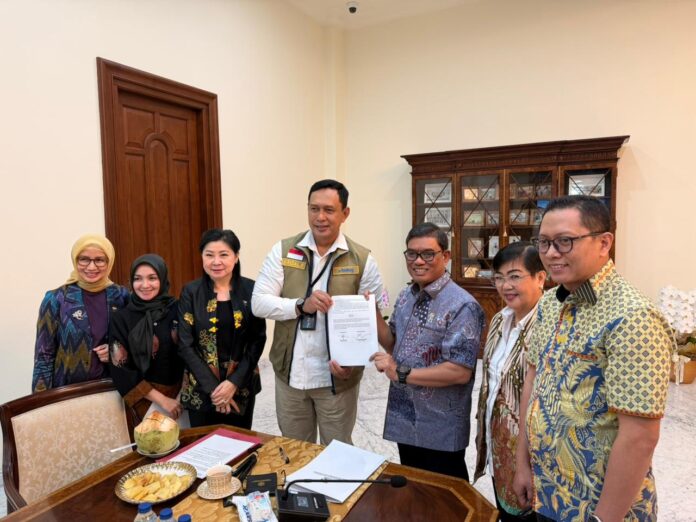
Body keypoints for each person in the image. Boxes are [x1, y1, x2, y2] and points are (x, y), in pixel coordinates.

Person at [513, 195, 673, 522]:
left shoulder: (634, 317)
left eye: (565, 241)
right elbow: (533, 381)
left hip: (599, 506)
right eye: (544, 243)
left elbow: (640, 437)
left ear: (604, 243)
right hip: (548, 492)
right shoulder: (550, 303)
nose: (551, 253)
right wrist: (522, 464)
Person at [252, 179, 384, 445]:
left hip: (336, 378)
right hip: (290, 375)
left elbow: (375, 314)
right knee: (295, 450)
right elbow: (259, 303)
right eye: (314, 209)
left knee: (338, 451)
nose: (320, 217)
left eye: (329, 210)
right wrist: (300, 305)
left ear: (345, 213)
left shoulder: (362, 259)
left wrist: (353, 362)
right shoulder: (284, 251)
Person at [370, 222, 483, 480]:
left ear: (446, 256)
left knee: (444, 493)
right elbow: (394, 343)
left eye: (428, 254)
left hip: (439, 426)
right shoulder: (406, 296)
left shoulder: (462, 306)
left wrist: (400, 372)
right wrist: (371, 312)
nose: (418, 261)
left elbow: (459, 372)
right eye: (412, 253)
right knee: (414, 487)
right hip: (406, 418)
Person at [473, 242, 546, 521]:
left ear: (540, 278)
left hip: (532, 455)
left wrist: (524, 462)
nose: (505, 286)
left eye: (515, 276)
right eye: (499, 277)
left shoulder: (549, 326)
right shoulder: (499, 319)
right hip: (498, 445)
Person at [177, 229, 266, 429]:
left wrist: (233, 384)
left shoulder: (251, 290)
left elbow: (257, 340)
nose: (216, 262)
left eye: (224, 254)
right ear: (202, 257)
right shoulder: (191, 292)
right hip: (201, 387)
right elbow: (185, 344)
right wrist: (216, 390)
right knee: (202, 443)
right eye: (209, 255)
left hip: (241, 385)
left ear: (236, 257)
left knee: (239, 442)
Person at [33, 234, 129, 392]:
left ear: (109, 262)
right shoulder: (56, 299)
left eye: (99, 260)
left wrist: (116, 351)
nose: (91, 267)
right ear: (75, 260)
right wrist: (41, 400)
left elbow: (136, 345)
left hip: (112, 391)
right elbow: (44, 356)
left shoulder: (122, 297)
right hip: (68, 394)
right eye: (84, 259)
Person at [108, 254, 185, 423]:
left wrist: (182, 396)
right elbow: (121, 369)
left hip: (183, 398)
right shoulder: (122, 318)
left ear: (162, 279)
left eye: (152, 278)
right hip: (145, 402)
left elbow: (191, 351)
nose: (144, 285)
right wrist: (163, 400)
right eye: (138, 279)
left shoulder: (178, 309)